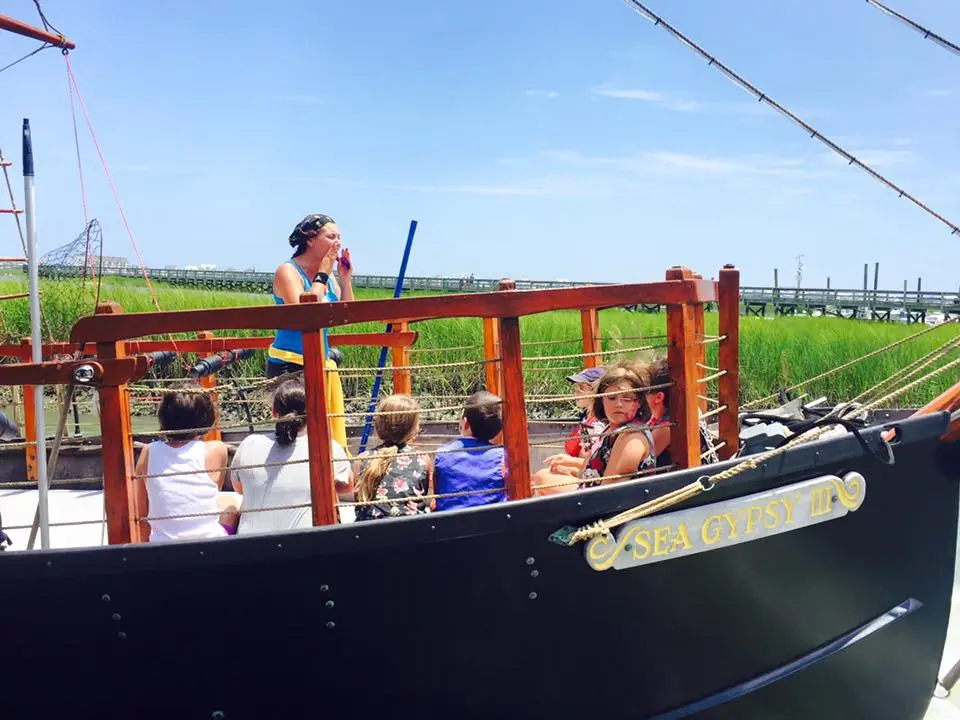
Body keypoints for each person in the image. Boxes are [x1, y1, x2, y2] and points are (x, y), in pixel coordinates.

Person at [266, 213, 353, 447]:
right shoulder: (288, 271)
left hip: (320, 360)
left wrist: (345, 280)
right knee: (295, 433)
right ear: (311, 240)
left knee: (320, 430)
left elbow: (346, 316)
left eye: (339, 238)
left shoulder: (329, 277)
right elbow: (304, 313)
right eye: (331, 236)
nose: (337, 243)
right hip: (289, 363)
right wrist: (323, 274)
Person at [231, 379, 353, 534]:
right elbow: (347, 486)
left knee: (232, 503)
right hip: (307, 545)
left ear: (274, 413)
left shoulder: (249, 443)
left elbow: (239, 489)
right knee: (331, 495)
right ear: (312, 413)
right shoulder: (328, 447)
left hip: (253, 546)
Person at [133, 387, 231, 542]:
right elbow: (216, 487)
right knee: (230, 507)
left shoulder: (148, 451)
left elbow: (141, 510)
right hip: (210, 545)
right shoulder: (216, 449)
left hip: (163, 547)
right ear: (206, 420)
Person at [578, 359, 668, 488]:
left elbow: (610, 489)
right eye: (612, 398)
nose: (618, 404)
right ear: (601, 400)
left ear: (638, 403)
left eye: (627, 398)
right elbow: (586, 472)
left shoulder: (632, 438)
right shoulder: (609, 429)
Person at [352, 395, 432, 521]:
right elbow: (421, 494)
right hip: (412, 533)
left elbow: (359, 502)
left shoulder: (361, 460)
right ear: (413, 429)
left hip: (367, 535)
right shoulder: (422, 459)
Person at [532, 366, 607, 496]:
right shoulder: (587, 420)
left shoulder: (598, 426)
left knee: (541, 477)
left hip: (593, 484)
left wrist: (568, 462)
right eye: (576, 388)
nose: (576, 392)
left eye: (582, 388)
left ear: (597, 392)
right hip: (586, 475)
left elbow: (597, 464)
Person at [433, 391, 507, 511]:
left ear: (465, 423)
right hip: (493, 525)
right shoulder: (503, 457)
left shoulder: (443, 454)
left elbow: (438, 494)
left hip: (450, 525)